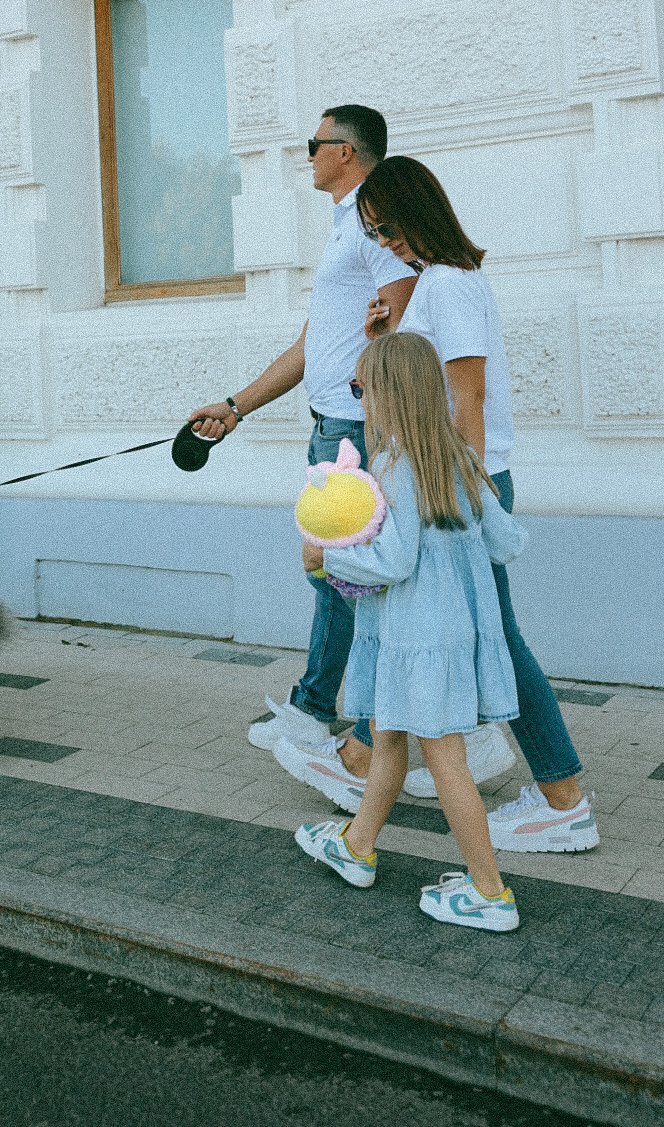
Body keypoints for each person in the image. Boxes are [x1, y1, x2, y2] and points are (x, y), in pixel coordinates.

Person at [297, 154, 598, 856]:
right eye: (372, 233)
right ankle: (377, 754)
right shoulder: (436, 283)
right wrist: (381, 344)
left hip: (459, 482)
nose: (383, 244)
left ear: (421, 212)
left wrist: (462, 488)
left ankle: (561, 797)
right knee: (462, 629)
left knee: (494, 638)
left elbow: (466, 397)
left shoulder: (453, 284)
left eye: (389, 227)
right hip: (454, 479)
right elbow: (428, 383)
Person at [189, 106, 417, 768]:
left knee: (343, 578)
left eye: (313, 144)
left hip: (353, 428)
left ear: (344, 152)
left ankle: (324, 718)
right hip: (334, 427)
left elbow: (403, 306)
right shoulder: (346, 223)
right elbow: (312, 343)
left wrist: (365, 383)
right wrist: (237, 406)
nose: (307, 154)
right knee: (339, 578)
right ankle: (325, 712)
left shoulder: (373, 217)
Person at [295, 333, 523, 932]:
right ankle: (357, 845)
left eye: (359, 389)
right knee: (389, 737)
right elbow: (507, 542)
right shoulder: (459, 460)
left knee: (445, 759)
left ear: (387, 395)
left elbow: (394, 562)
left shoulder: (395, 466)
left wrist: (328, 558)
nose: (358, 400)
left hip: (419, 640)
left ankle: (490, 892)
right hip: (436, 638)